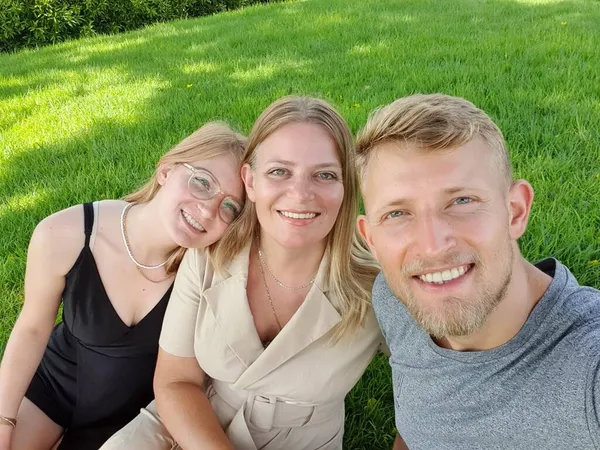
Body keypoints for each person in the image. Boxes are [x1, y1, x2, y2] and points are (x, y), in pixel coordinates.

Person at [100, 96, 383, 450]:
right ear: (250, 181)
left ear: (346, 188)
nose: (300, 193)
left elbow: (444, 373)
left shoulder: (375, 285)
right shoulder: (210, 256)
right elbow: (176, 381)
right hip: (191, 422)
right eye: (279, 171)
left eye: (324, 175)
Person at [354, 93, 600, 449]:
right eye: (397, 213)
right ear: (371, 238)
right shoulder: (395, 301)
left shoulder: (586, 367)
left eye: (461, 201)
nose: (433, 245)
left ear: (515, 211)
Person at [0, 122, 246, 450]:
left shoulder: (209, 274)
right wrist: (4, 419)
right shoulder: (66, 234)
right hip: (53, 391)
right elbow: (31, 329)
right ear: (166, 171)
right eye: (202, 182)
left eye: (230, 206)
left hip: (130, 418)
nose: (209, 209)